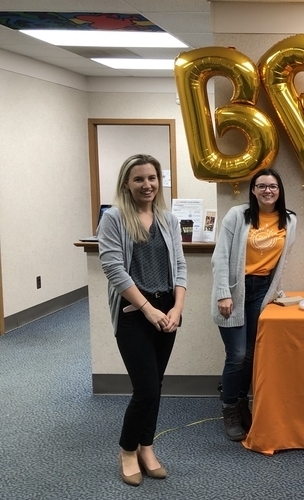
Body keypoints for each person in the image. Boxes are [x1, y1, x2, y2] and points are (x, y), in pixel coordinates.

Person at [98, 154, 187, 486]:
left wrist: (177, 308)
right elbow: (113, 268)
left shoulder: (168, 219)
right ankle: (127, 450)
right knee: (145, 388)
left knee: (156, 385)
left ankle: (147, 447)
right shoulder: (114, 218)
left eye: (152, 178)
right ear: (126, 183)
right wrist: (147, 308)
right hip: (133, 312)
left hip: (167, 309)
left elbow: (179, 266)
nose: (146, 184)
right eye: (139, 179)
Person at [211, 168, 296, 441]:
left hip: (262, 292)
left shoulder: (290, 220)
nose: (267, 191)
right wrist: (224, 292)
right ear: (253, 190)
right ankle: (229, 409)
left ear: (279, 190)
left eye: (272, 186)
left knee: (251, 355)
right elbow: (220, 257)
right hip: (236, 290)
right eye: (261, 186)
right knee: (236, 354)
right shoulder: (238, 215)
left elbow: (280, 262)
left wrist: (276, 291)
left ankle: (241, 403)